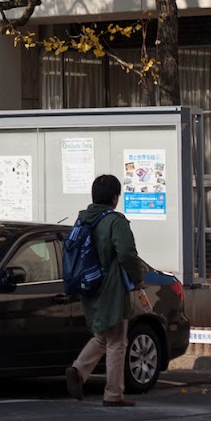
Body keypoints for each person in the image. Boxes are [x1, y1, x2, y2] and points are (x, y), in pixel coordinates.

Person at [65, 173, 147, 406]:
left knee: (103, 335)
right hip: (112, 287)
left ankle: (78, 370)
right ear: (114, 197)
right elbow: (126, 254)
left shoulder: (83, 219)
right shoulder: (115, 221)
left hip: (89, 284)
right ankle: (113, 394)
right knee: (117, 341)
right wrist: (137, 278)